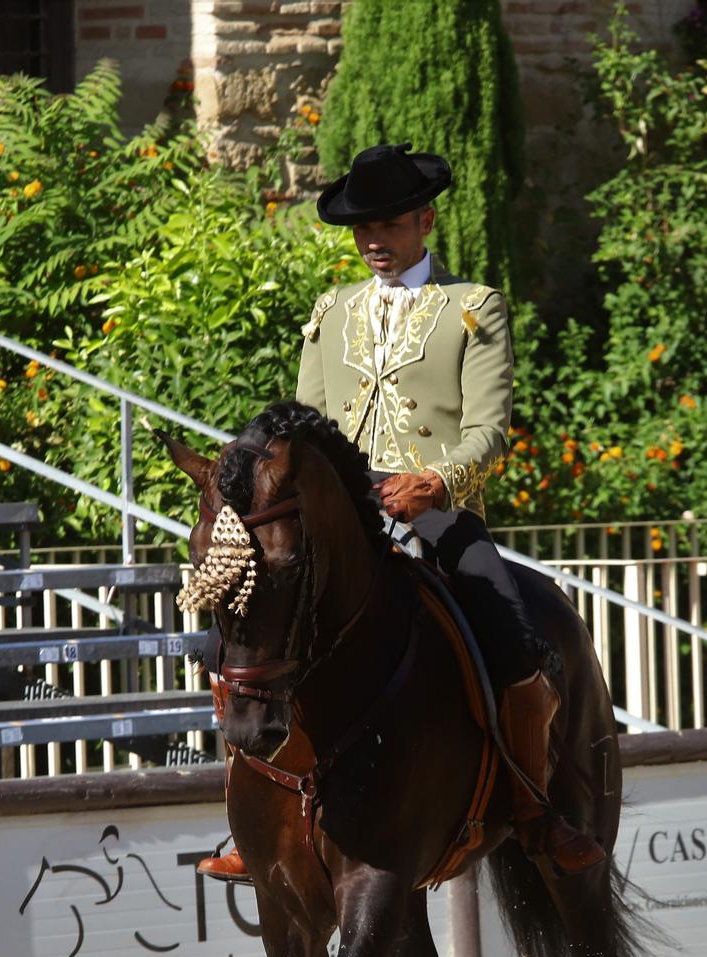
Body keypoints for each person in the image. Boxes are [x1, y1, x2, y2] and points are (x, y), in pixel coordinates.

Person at [200, 143, 603, 879]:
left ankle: (533, 807)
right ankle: (245, 820)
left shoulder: (472, 307)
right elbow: (299, 429)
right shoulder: (332, 311)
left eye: (387, 225)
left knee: (508, 628)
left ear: (425, 219)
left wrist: (437, 482)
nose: (373, 243)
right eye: (362, 230)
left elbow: (490, 429)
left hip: (434, 509)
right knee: (249, 620)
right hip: (339, 519)